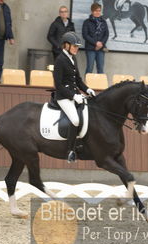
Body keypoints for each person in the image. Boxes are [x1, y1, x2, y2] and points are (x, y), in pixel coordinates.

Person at [53, 32, 96, 163]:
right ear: (66, 45)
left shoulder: (73, 59)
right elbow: (58, 85)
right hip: (63, 97)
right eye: (74, 46)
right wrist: (73, 96)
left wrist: (87, 89)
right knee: (76, 120)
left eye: (77, 46)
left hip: (75, 95)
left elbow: (78, 80)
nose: (76, 48)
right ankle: (70, 151)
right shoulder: (60, 60)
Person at [82, 3, 109, 74]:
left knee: (100, 69)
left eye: (99, 11)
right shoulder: (87, 22)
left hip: (101, 49)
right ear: (92, 11)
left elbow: (106, 34)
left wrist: (101, 43)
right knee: (89, 68)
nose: (98, 12)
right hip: (90, 48)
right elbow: (85, 35)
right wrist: (96, 43)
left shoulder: (103, 22)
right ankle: (86, 85)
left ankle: (99, 85)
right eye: (96, 11)